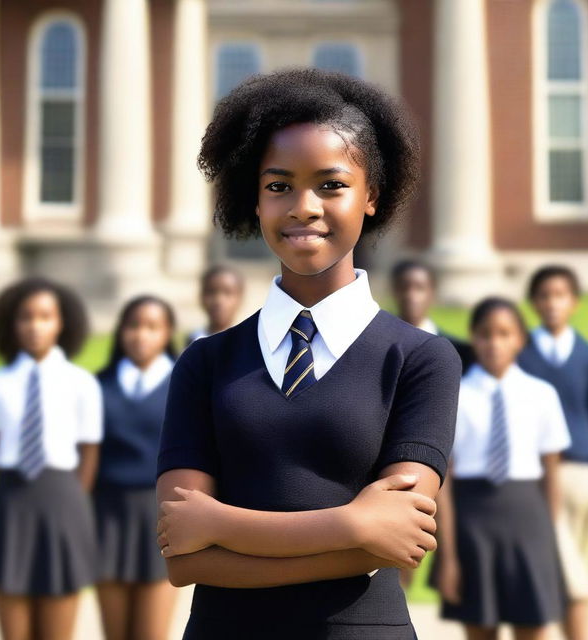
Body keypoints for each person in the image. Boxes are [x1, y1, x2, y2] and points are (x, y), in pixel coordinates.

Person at [155, 68, 462, 640]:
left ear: (371, 194)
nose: (303, 206)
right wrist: (353, 525)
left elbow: (400, 540)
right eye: (278, 186)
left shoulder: (421, 359)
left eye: (331, 184)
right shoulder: (205, 363)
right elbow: (184, 560)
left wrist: (221, 523)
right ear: (254, 197)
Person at [432, 297, 570, 640]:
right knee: (480, 626)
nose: (494, 343)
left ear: (521, 339)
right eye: (485, 334)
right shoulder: (455, 397)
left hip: (529, 522)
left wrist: (549, 544)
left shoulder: (542, 395)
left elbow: (552, 475)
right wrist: (448, 556)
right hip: (471, 522)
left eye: (505, 334)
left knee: (534, 626)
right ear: (472, 338)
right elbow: (444, 479)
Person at [0, 277, 102, 640]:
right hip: (11, 503)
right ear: (11, 325)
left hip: (63, 503)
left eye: (45, 316)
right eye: (26, 317)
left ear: (61, 322)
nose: (35, 326)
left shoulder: (81, 383)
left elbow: (88, 451)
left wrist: (73, 505)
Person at [518, 265, 588, 640]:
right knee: (570, 574)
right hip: (539, 480)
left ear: (574, 302)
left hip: (586, 479)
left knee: (574, 565)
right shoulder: (520, 354)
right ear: (534, 302)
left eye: (561, 295)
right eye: (545, 295)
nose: (553, 303)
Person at [93, 295, 179, 640]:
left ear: (167, 333)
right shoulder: (97, 385)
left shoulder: (184, 385)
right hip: (106, 517)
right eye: (133, 326)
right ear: (120, 332)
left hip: (159, 517)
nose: (140, 335)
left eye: (152, 327)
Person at [390, 260, 475, 372]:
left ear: (432, 292)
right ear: (394, 291)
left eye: (419, 288)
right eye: (404, 287)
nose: (411, 295)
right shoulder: (379, 346)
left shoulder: (457, 351)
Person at [185, 264, 245, 345]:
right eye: (211, 292)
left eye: (227, 293)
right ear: (201, 296)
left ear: (240, 298)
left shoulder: (249, 342)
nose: (218, 301)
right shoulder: (193, 341)